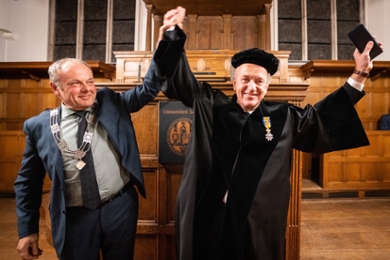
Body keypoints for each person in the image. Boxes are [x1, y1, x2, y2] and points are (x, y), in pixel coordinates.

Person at [154, 7, 383, 260]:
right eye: (245, 80)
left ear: (267, 85)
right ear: (234, 83)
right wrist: (172, 35)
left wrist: (360, 73)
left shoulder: (282, 116)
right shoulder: (211, 105)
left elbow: (322, 116)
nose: (251, 87)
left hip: (258, 223)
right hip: (212, 216)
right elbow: (178, 81)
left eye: (259, 81)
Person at [14, 56, 162, 259]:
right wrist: (28, 230)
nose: (87, 89)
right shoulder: (38, 126)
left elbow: (149, 88)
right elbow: (27, 183)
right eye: (75, 83)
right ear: (55, 88)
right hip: (74, 219)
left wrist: (168, 41)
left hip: (119, 208)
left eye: (90, 81)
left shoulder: (110, 103)